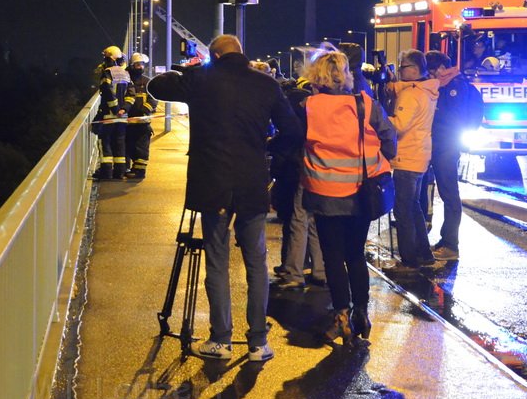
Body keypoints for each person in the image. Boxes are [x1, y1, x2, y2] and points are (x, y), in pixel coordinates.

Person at [149, 34, 300, 362]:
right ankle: (259, 342)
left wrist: (188, 68)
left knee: (216, 260)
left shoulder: (200, 80)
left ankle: (221, 339)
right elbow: (292, 130)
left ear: (214, 56)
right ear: (241, 53)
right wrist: (266, 150)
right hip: (252, 182)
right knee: (256, 261)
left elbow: (155, 86)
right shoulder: (265, 84)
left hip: (211, 183)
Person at [299, 51, 396, 345]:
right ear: (347, 74)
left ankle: (341, 315)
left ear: (317, 76)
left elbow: (294, 142)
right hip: (360, 193)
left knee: (332, 257)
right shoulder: (364, 104)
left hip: (324, 193)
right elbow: (389, 140)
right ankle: (362, 313)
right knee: (355, 255)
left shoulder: (308, 107)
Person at [269, 74, 326, 291]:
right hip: (324, 168)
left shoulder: (301, 105)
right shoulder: (336, 102)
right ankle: (320, 270)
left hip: (304, 167)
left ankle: (294, 271)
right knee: (313, 221)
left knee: (298, 220)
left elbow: (290, 137)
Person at [385, 49, 440, 273]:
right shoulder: (426, 91)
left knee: (403, 210)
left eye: (403, 68)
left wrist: (380, 118)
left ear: (415, 70)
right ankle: (424, 253)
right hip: (420, 154)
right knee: (414, 206)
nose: (399, 72)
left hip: (406, 156)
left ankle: (409, 260)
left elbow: (398, 126)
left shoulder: (410, 95)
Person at [424, 50, 474, 260]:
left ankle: (451, 245)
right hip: (440, 145)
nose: (430, 75)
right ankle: (445, 241)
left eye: (431, 71)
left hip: (445, 146)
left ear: (442, 69)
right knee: (443, 194)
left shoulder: (455, 87)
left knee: (450, 195)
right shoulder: (446, 85)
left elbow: (450, 119)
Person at [94, 45, 135, 180]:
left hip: (108, 116)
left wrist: (116, 109)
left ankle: (106, 173)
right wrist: (124, 109)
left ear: (109, 58)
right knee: (119, 144)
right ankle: (119, 173)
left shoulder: (107, 73)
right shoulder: (126, 74)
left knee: (105, 143)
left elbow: (107, 92)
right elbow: (131, 95)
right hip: (122, 117)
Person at [124, 52, 156, 180]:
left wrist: (145, 110)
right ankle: (134, 169)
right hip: (129, 122)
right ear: (132, 65)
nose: (140, 67)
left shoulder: (147, 82)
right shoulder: (126, 80)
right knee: (131, 147)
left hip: (143, 122)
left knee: (141, 148)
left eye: (142, 64)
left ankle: (140, 172)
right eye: (137, 64)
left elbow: (153, 99)